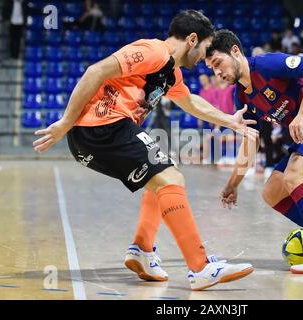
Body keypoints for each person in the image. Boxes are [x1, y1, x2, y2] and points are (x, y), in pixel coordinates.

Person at [33, 11, 257, 291]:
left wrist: (229, 120)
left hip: (98, 134)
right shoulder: (154, 52)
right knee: (171, 178)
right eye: (203, 48)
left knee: (161, 179)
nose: (203, 57)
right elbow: (96, 71)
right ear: (191, 39)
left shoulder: (171, 73)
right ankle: (200, 268)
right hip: (103, 126)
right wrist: (66, 122)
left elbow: (190, 103)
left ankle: (142, 250)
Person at [205, 29, 303, 274]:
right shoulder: (242, 97)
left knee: (293, 177)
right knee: (272, 192)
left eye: (217, 63)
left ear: (235, 51)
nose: (217, 73)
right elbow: (251, 140)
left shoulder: (266, 64)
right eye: (212, 69)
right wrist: (233, 183)